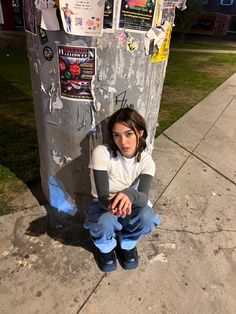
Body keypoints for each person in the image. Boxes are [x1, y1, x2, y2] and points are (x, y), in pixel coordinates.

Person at [84, 108, 160, 272]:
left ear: (139, 133)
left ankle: (127, 244)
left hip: (130, 205)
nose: (123, 142)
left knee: (147, 215)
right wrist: (117, 204)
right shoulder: (102, 153)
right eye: (116, 135)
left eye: (128, 134)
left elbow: (143, 196)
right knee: (104, 221)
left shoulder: (147, 162)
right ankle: (106, 249)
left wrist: (129, 194)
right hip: (104, 205)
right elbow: (103, 197)